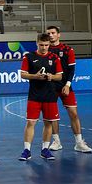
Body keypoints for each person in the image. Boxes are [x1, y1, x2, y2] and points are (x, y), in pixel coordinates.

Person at [47, 26, 92, 153]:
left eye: (53, 33)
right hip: (50, 87)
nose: (50, 35)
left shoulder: (67, 50)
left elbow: (71, 69)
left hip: (65, 86)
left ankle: (79, 143)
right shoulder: (45, 49)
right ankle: (56, 142)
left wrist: (67, 85)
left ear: (58, 35)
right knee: (52, 116)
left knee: (73, 113)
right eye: (48, 33)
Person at [18, 34, 63, 162]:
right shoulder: (29, 57)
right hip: (34, 95)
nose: (44, 48)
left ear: (49, 44)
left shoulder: (54, 58)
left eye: (46, 45)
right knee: (31, 122)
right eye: (41, 45)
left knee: (48, 123)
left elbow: (59, 76)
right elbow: (23, 74)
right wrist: (35, 76)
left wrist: (51, 77)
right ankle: (27, 150)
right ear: (37, 43)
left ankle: (45, 149)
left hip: (50, 95)